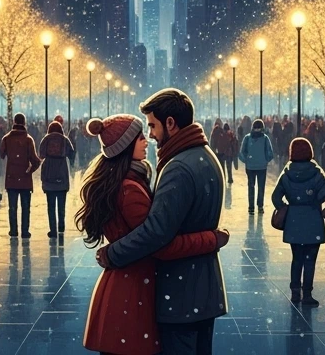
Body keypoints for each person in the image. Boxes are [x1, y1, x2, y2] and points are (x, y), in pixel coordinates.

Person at [78, 114, 228, 355]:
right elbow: (158, 243)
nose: (146, 140)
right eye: (139, 138)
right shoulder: (130, 190)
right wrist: (211, 239)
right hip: (133, 290)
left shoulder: (125, 182)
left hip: (123, 284)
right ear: (125, 147)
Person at [271, 136, 325, 307]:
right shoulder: (317, 172)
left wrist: (286, 208)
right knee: (310, 260)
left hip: (294, 220)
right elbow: (324, 194)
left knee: (296, 258)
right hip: (313, 219)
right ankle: (307, 294)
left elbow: (275, 197)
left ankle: (295, 292)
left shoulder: (287, 173)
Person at [0, 112, 41, 238]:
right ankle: (25, 231)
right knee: (25, 207)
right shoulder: (28, 139)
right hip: (25, 178)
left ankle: (13, 230)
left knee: (12, 207)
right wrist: (30, 170)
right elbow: (35, 160)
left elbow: (1, 154)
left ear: (14, 122)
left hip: (11, 177)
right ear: (24, 123)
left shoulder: (6, 138)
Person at [39, 119, 75, 238]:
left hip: (49, 174)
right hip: (62, 174)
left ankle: (53, 230)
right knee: (61, 205)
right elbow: (72, 154)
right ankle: (61, 226)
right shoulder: (65, 140)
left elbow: (41, 154)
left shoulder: (46, 139)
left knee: (51, 206)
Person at [240, 118, 274, 214]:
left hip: (250, 167)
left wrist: (247, 160)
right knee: (261, 187)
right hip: (262, 167)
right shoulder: (265, 138)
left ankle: (251, 207)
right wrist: (266, 160)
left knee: (251, 187)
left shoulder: (247, 138)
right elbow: (270, 152)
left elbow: (242, 152)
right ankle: (260, 206)